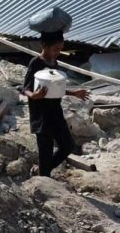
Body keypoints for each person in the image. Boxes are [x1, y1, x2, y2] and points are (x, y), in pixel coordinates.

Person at [21, 29, 88, 177]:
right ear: (44, 45)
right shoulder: (36, 63)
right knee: (46, 150)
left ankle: (43, 171)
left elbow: (56, 88)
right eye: (56, 49)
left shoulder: (54, 62)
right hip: (41, 115)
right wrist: (34, 95)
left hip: (55, 112)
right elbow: (25, 88)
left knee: (67, 145)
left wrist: (73, 93)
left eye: (60, 49)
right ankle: (44, 177)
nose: (58, 52)